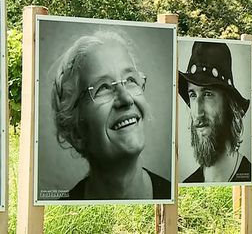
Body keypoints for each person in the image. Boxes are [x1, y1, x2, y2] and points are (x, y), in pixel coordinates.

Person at [52, 30, 170, 200]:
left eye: (130, 80)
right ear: (76, 132)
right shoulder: (62, 214)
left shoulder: (174, 196)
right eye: (103, 88)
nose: (126, 98)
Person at [179, 41, 251, 183]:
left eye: (208, 94)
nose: (198, 113)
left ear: (228, 104)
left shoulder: (249, 174)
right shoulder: (188, 184)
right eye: (193, 95)